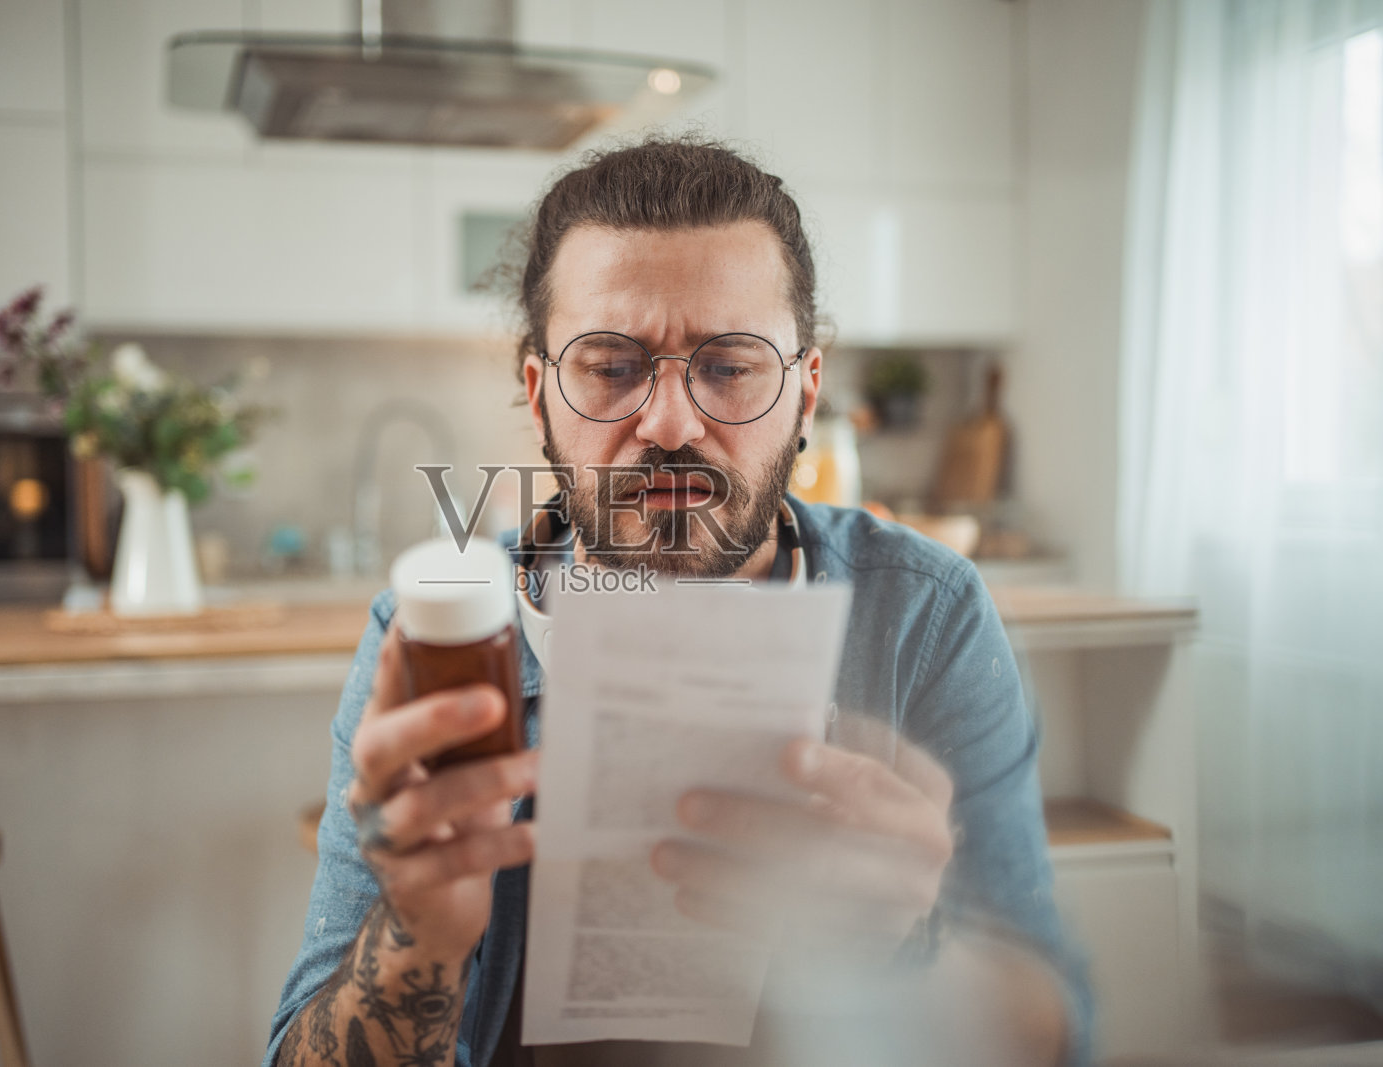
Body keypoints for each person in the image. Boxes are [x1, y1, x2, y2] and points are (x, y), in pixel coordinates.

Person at [266, 137, 1092, 1067]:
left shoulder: (922, 617)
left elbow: (1053, 1033)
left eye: (730, 366)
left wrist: (909, 951)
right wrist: (417, 938)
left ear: (805, 392)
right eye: (610, 367)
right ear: (539, 397)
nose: (667, 423)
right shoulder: (443, 634)